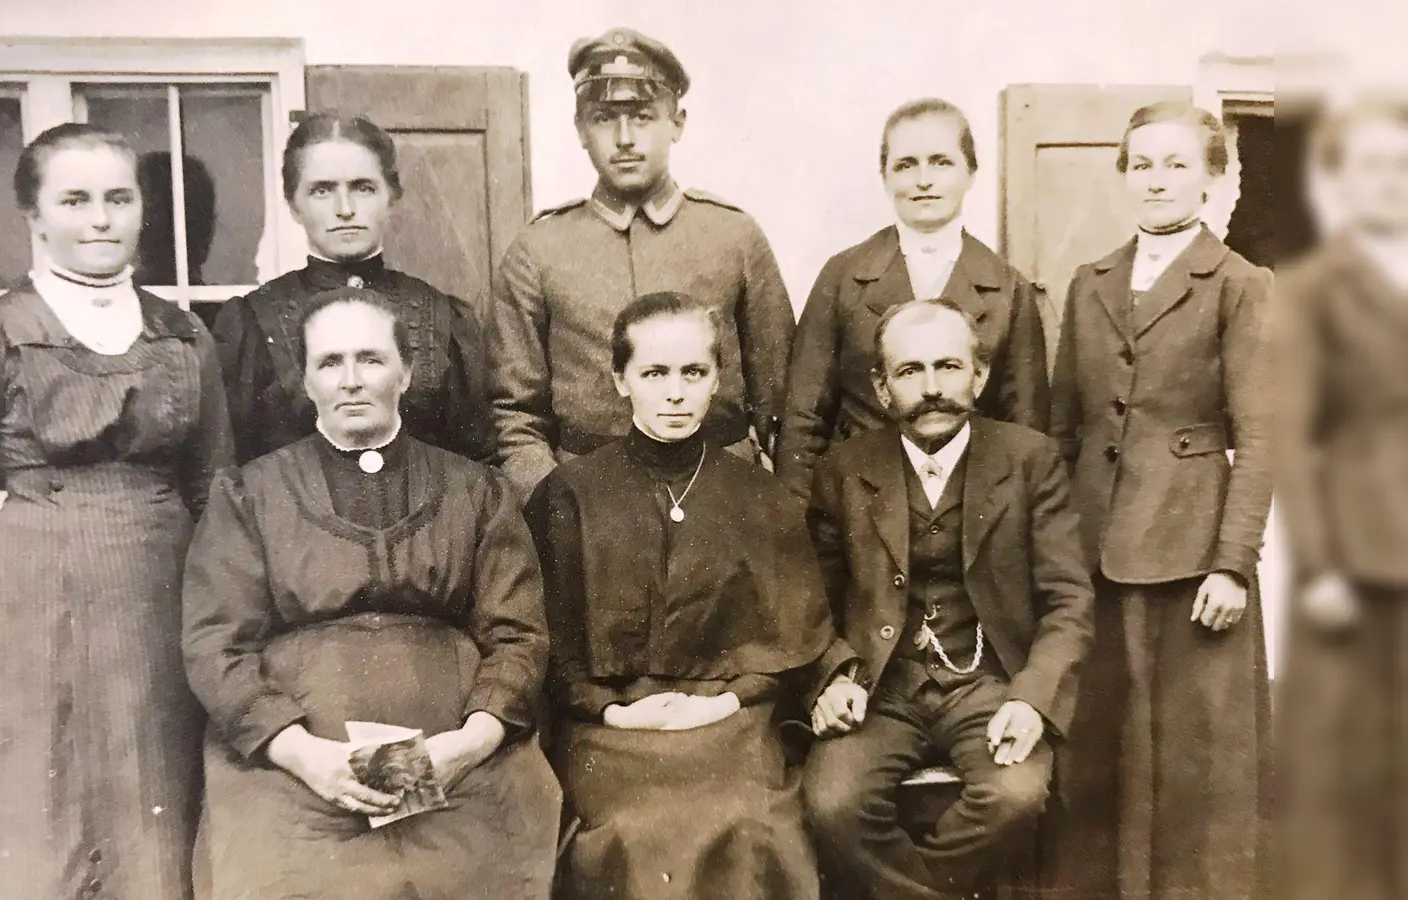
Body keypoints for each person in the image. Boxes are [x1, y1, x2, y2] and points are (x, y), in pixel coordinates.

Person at [182, 287, 560, 900]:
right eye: (330, 363)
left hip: (455, 751)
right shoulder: (249, 496)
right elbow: (215, 645)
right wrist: (302, 755)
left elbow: (517, 635)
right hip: (296, 761)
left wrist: (470, 744)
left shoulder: (477, 491)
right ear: (305, 381)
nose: (351, 380)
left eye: (371, 359)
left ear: (406, 373)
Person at [0, 122, 231, 900]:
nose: (99, 219)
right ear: (34, 216)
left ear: (142, 211)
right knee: (47, 801)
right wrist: (26, 553)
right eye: (74, 200)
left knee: (156, 789)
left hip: (163, 589)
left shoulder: (182, 336)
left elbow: (215, 484)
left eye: (118, 198)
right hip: (34, 596)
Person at [526, 292, 836, 900]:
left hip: (731, 721)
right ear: (620, 379)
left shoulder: (758, 494)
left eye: (693, 373)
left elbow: (792, 633)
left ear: (716, 377)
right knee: (629, 830)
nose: (675, 393)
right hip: (611, 727)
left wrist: (721, 704)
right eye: (654, 373)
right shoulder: (569, 495)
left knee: (752, 821)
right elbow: (548, 644)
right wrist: (612, 710)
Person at [1043, 102, 1275, 900]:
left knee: (1195, 764)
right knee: (1102, 753)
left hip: (1190, 558)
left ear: (1213, 179)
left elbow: (1262, 437)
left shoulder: (1240, 285)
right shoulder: (1090, 283)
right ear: (1123, 177)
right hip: (1096, 549)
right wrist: (1055, 550)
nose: (1157, 179)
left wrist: (1233, 566)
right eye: (1142, 163)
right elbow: (1061, 426)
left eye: (1178, 164)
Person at [800, 298, 1091, 900]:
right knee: (832, 805)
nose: (932, 388)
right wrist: (832, 679)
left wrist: (1034, 700)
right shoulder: (843, 469)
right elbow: (812, 604)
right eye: (909, 372)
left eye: (949, 367)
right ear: (881, 387)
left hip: (992, 683)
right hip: (881, 687)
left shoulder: (1029, 460)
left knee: (1014, 797)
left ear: (979, 376)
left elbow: (1069, 601)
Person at [487, 28, 795, 499]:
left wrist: (768, 505)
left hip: (721, 492)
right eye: (605, 118)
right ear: (580, 129)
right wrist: (558, 507)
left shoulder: (734, 237)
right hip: (589, 493)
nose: (625, 138)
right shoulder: (538, 248)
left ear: (677, 122)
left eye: (644, 117)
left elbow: (781, 399)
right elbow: (514, 413)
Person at [776, 98, 1049, 502]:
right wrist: (801, 531)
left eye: (941, 162)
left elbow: (1026, 427)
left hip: (971, 507)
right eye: (906, 165)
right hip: (861, 505)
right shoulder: (843, 277)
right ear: (884, 177)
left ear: (971, 172)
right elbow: (804, 419)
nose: (924, 180)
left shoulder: (1008, 289)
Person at [1274, 95, 1408, 900]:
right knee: (1347, 775)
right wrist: (1319, 566)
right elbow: (1290, 435)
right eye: (1371, 167)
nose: (1390, 183)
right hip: (1359, 560)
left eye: (1403, 167)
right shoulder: (1312, 289)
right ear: (1336, 182)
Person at [213, 113, 493, 464]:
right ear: (293, 205)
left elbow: (478, 462)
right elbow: (231, 465)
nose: (344, 209)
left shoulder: (443, 318)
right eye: (322, 190)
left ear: (392, 196)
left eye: (363, 188)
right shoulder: (253, 323)